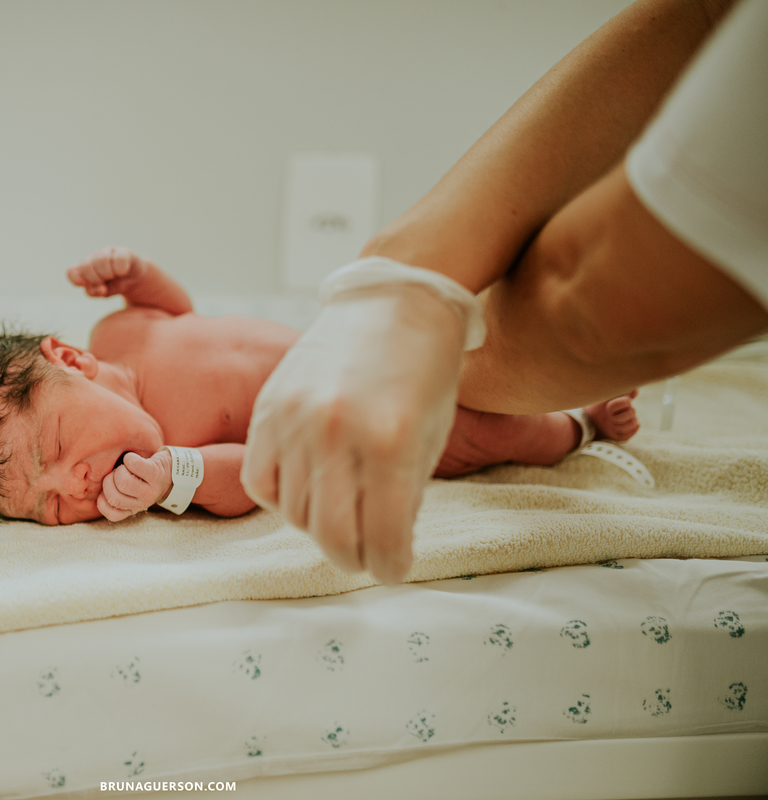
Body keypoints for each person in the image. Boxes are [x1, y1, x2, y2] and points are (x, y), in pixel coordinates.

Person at [241, 0, 768, 582]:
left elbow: (593, 307)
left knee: (500, 426)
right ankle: (572, 424)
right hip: (437, 375)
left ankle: (577, 427)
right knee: (484, 430)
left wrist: (408, 296)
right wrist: (404, 273)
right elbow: (707, 18)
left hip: (474, 375)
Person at [0, 247, 638, 525]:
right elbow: (252, 479)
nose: (74, 487)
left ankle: (564, 352)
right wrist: (180, 476)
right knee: (489, 433)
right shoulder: (172, 454)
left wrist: (141, 278)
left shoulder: (119, 335)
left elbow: (179, 313)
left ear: (70, 360)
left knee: (470, 330)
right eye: (50, 511)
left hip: (353, 344)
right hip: (364, 422)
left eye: (59, 446)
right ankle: (579, 427)